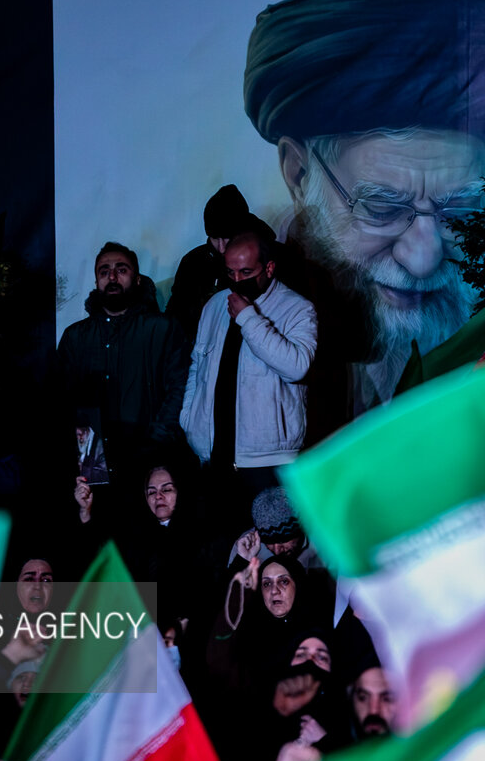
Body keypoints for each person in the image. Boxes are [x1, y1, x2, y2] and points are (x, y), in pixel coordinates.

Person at [244, 0, 485, 411]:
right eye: (382, 208)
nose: (423, 259)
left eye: (462, 210)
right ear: (299, 174)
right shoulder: (235, 307)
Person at [180, 230, 316, 519]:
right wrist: (190, 420)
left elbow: (296, 367)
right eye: (230, 272)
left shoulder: (297, 309)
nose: (237, 279)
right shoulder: (215, 305)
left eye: (246, 272)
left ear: (269, 268)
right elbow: (197, 366)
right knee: (221, 543)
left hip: (268, 462)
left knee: (272, 544)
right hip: (215, 457)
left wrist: (247, 317)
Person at [57, 242, 189, 487]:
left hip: (151, 458)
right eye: (104, 271)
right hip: (93, 464)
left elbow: (179, 389)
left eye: (121, 269)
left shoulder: (163, 329)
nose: (112, 277)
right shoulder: (75, 337)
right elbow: (61, 399)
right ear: (96, 281)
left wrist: (157, 441)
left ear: (137, 279)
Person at [167, 185, 274, 337]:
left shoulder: (271, 255)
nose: (222, 248)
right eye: (215, 238)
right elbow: (175, 314)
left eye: (227, 238)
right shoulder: (193, 261)